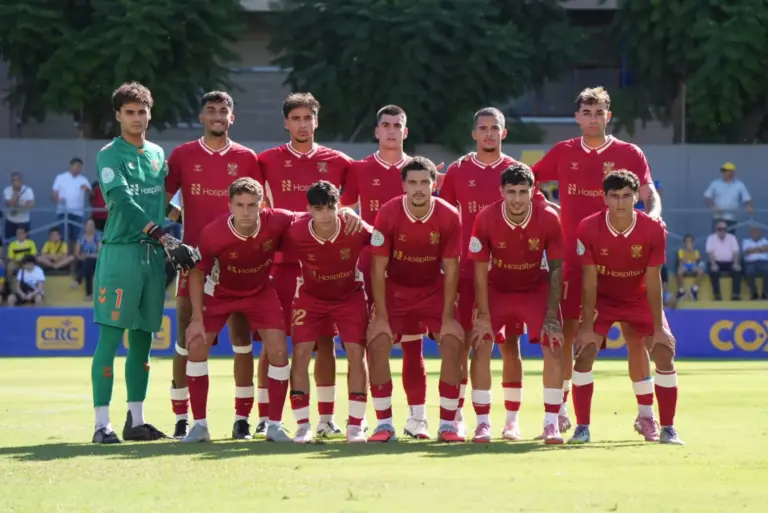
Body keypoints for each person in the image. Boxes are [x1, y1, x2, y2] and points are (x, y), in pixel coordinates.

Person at [531, 86, 662, 434]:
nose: (593, 118)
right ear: (577, 117)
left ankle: (646, 417)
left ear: (609, 115)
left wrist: (655, 214)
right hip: (575, 260)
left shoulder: (628, 152)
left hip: (623, 261)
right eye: (586, 112)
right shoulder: (563, 152)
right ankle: (559, 413)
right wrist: (546, 208)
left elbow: (649, 193)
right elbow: (529, 180)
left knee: (636, 338)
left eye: (599, 112)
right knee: (572, 334)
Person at [90, 82, 199, 444]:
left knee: (143, 343)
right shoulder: (110, 154)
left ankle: (135, 421)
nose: (136, 118)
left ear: (149, 114)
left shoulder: (156, 154)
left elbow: (160, 204)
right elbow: (121, 199)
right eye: (129, 112)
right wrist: (166, 236)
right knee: (109, 339)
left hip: (152, 257)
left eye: (141, 112)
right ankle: (100, 425)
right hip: (121, 252)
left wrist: (188, 216)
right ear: (118, 115)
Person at [164, 91, 264, 440]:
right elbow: (163, 203)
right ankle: (181, 418)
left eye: (224, 110)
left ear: (232, 118)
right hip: (194, 263)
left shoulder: (247, 158)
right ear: (201, 116)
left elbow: (261, 211)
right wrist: (166, 234)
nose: (218, 115)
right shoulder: (182, 155)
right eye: (211, 110)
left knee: (241, 342)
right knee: (184, 339)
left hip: (238, 266)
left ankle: (241, 420)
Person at [256, 92, 353, 437]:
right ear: (286, 123)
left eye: (307, 118)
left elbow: (350, 212)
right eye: (295, 118)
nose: (301, 124)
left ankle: (326, 418)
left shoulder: (339, 162)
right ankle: (267, 415)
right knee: (276, 342)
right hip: (281, 264)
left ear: (316, 121)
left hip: (323, 267)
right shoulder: (265, 160)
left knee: (324, 343)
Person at [340, 105, 431, 439]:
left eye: (398, 126)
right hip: (371, 268)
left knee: (412, 345)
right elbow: (343, 212)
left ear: (405, 132)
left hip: (413, 269)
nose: (392, 131)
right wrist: (366, 230)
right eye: (386, 125)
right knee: (371, 344)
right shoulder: (360, 168)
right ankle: (373, 418)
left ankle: (418, 419)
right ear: (376, 131)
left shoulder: (419, 170)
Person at [572, 170, 683, 445]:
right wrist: (586, 328)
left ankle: (666, 427)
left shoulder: (653, 228)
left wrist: (659, 328)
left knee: (663, 351)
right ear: (605, 198)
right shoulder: (588, 227)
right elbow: (588, 280)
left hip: (639, 298)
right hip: (603, 299)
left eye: (626, 196)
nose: (620, 203)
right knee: (584, 353)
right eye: (614, 196)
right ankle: (582, 428)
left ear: (636, 198)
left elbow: (654, 279)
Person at [182, 177, 294, 443]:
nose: (246, 211)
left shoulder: (278, 219)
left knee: (278, 349)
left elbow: (308, 216)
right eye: (240, 205)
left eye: (252, 205)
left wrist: (346, 212)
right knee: (196, 345)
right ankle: (199, 426)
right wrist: (196, 319)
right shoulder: (212, 233)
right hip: (220, 293)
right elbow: (197, 274)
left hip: (260, 292)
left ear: (262, 205)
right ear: (229, 205)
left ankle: (274, 425)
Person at [367, 157, 465, 443]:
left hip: (432, 290)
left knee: (453, 343)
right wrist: (382, 317)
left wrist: (447, 319)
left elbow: (452, 268)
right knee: (378, 343)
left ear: (435, 184)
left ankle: (448, 425)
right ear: (403, 185)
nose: (419, 188)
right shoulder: (388, 213)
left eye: (425, 182)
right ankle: (384, 425)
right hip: (395, 290)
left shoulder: (448, 215)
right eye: (413, 182)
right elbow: (377, 268)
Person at [469, 163, 565, 444]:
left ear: (533, 191)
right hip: (496, 288)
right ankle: (483, 423)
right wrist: (483, 314)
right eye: (511, 192)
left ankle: (551, 423)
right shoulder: (486, 218)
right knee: (482, 343)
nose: (517, 199)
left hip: (534, 287)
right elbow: (478, 269)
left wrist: (550, 314)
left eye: (523, 192)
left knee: (554, 344)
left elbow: (557, 268)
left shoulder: (548, 218)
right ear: (501, 191)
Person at [439, 107, 518, 437]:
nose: (488, 133)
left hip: (509, 273)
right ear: (474, 134)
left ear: (504, 133)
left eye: (494, 127)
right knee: (466, 344)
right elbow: (442, 218)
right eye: (482, 128)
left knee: (509, 346)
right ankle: (458, 416)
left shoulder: (517, 170)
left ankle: (511, 421)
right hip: (469, 272)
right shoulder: (458, 170)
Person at [285, 181, 371, 443]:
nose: (325, 215)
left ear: (339, 206)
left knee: (357, 352)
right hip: (311, 298)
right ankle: (302, 425)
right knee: (300, 353)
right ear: (308, 209)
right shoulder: (296, 230)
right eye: (318, 208)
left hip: (350, 297)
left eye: (331, 208)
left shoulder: (356, 228)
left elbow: (383, 242)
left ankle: (355, 424)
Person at [74, 219, 102, 300]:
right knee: (87, 265)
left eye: (92, 225)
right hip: (84, 261)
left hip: (96, 259)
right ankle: (88, 294)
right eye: (89, 225)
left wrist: (89, 255)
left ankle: (79, 280)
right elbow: (76, 252)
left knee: (88, 263)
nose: (90, 227)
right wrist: (80, 257)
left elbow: (101, 253)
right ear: (85, 226)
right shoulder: (81, 236)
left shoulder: (98, 235)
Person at [674, 234, 705, 301]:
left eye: (690, 241)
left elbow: (697, 261)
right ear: (684, 243)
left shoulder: (696, 251)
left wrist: (691, 251)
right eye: (687, 241)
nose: (689, 243)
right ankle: (681, 291)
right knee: (679, 270)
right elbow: (682, 261)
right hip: (684, 266)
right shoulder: (681, 251)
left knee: (701, 270)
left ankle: (694, 289)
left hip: (693, 266)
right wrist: (687, 252)